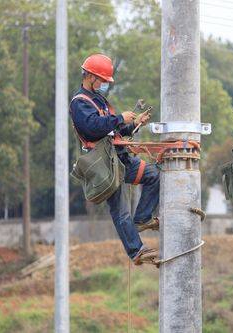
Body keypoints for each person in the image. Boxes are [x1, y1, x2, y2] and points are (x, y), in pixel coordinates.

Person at [70, 54, 160, 265]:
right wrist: (120, 117)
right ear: (91, 77)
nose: (103, 85)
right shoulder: (79, 103)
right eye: (102, 80)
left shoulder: (98, 100)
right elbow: (93, 128)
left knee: (154, 175)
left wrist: (134, 123)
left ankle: (143, 218)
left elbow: (113, 130)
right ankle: (136, 251)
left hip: (120, 158)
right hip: (105, 165)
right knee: (120, 210)